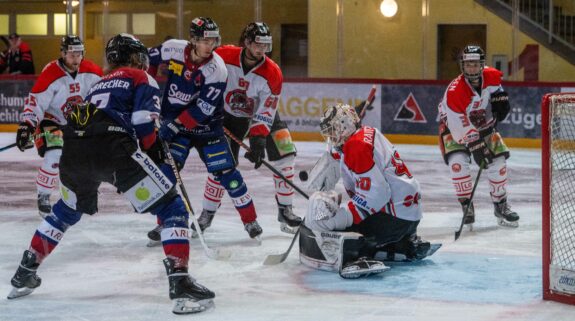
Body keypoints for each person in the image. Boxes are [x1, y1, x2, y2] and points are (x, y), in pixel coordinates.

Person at [7, 33, 215, 315]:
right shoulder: (142, 78)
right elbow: (143, 122)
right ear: (134, 57)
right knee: (172, 207)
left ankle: (25, 271)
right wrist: (155, 152)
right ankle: (180, 283)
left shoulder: (98, 83)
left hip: (75, 151)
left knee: (64, 211)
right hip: (114, 149)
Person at [146, 17, 263, 242]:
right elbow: (146, 60)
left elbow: (204, 109)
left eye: (213, 40)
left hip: (207, 127)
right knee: (168, 174)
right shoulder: (174, 49)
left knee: (228, 175)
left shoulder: (216, 68)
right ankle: (165, 223)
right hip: (176, 125)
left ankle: (250, 221)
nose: (210, 46)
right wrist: (149, 87)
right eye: (205, 41)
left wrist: (174, 124)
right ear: (193, 40)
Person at [187, 22, 302, 236]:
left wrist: (258, 140)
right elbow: (201, 78)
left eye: (266, 46)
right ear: (247, 43)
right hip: (227, 116)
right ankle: (207, 214)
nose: (261, 50)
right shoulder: (223, 55)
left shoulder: (273, 73)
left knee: (285, 152)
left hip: (261, 115)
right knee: (221, 164)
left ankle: (285, 209)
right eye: (258, 45)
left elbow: (267, 110)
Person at [299, 103, 431, 279]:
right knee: (343, 214)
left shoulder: (356, 146)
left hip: (393, 218)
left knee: (333, 224)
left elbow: (377, 195)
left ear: (346, 126)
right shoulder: (366, 134)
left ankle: (358, 254)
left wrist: (343, 218)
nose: (331, 136)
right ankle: (404, 244)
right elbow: (341, 156)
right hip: (408, 216)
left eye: (334, 130)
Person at [16, 35, 102, 218]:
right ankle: (44, 194)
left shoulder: (93, 71)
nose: (76, 58)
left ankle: (80, 193)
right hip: (51, 120)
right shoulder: (51, 73)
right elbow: (35, 103)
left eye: (79, 54)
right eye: (72, 54)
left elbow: (103, 96)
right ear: (63, 53)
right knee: (55, 153)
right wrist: (26, 126)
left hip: (77, 124)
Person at [438, 45, 519, 228]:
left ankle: (501, 205)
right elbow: (459, 130)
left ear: (482, 65)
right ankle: (467, 206)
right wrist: (476, 145)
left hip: (483, 124)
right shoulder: (455, 92)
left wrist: (500, 98)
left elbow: (496, 91)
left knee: (498, 162)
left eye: (475, 64)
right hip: (452, 127)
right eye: (468, 65)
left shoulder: (491, 76)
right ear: (462, 66)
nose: (472, 68)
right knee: (458, 165)